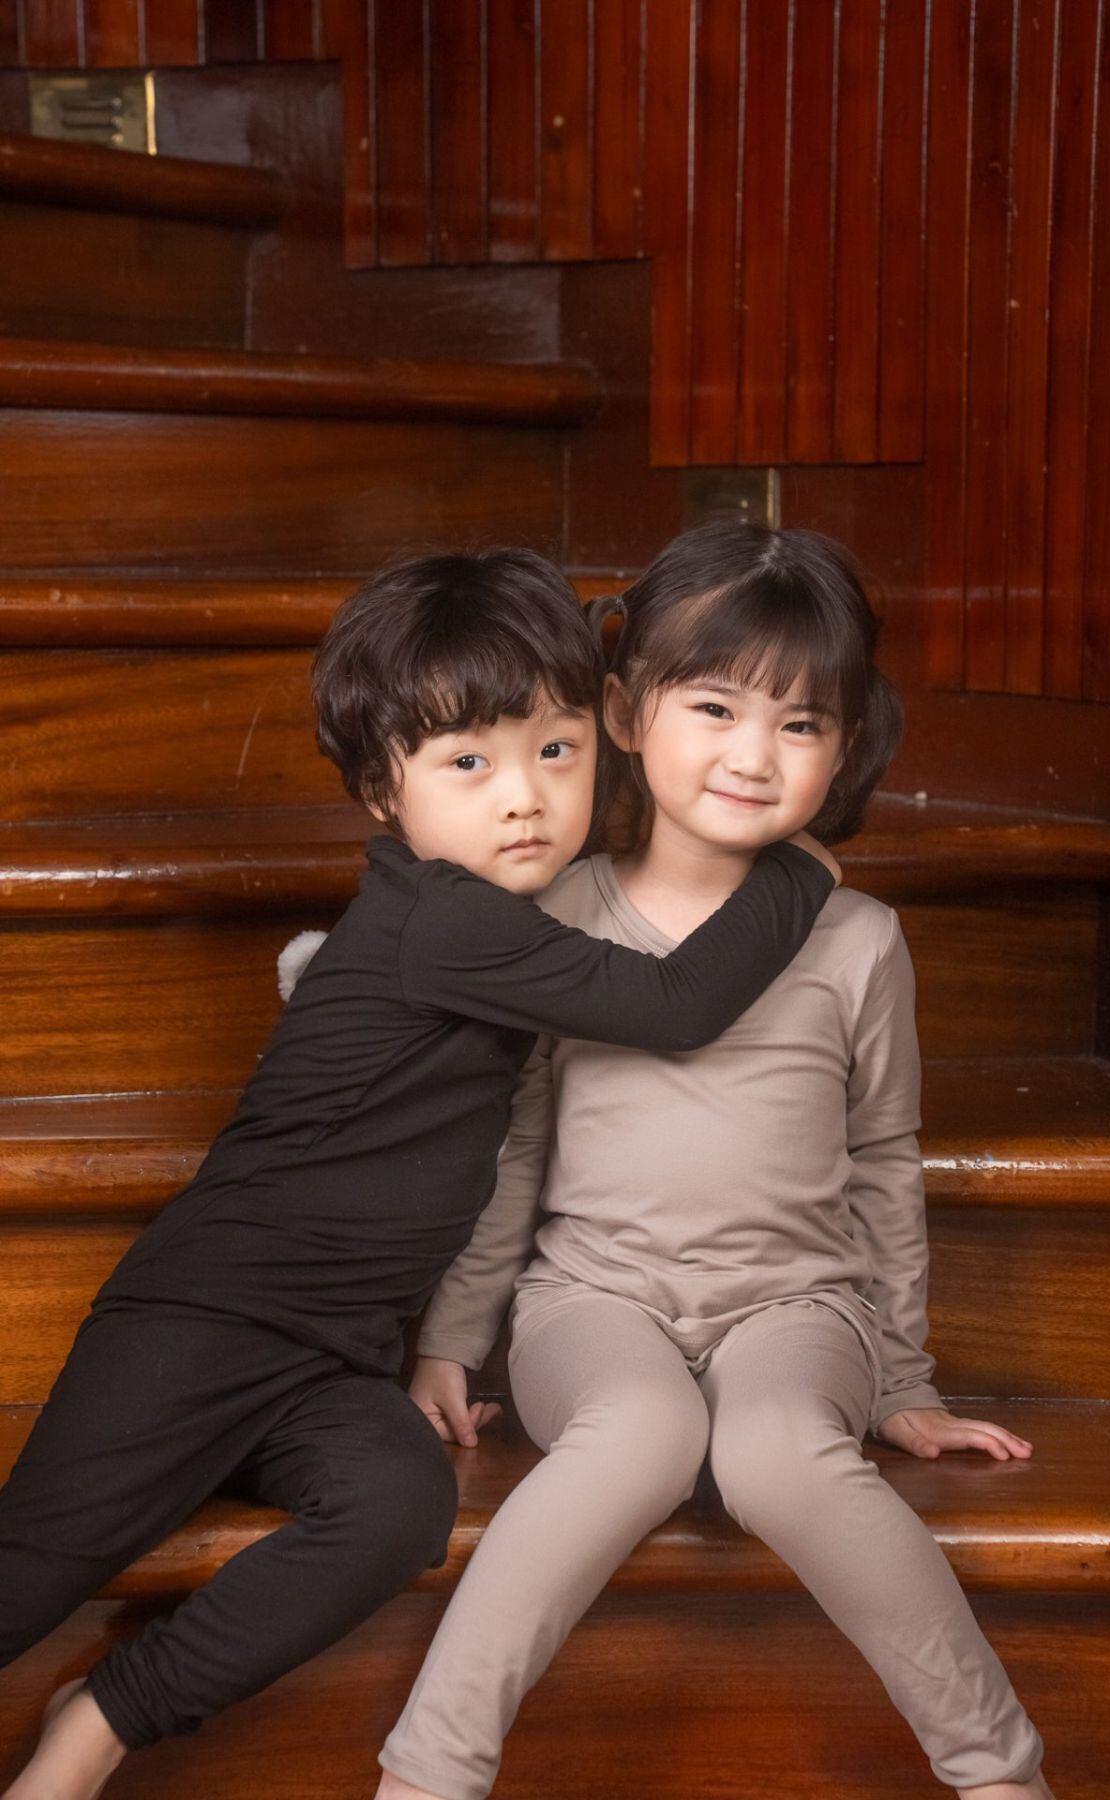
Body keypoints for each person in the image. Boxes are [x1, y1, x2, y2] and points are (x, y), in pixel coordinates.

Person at [0, 549, 839, 1800]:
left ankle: (109, 1713)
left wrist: (437, 1350)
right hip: (204, 1324)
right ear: (379, 791)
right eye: (468, 764)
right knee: (28, 1577)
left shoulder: (486, 925)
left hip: (327, 1363)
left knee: (396, 1510)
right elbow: (677, 1003)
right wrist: (799, 867)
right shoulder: (444, 921)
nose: (526, 798)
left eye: (557, 751)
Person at [377, 524, 1054, 1800]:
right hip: (593, 1301)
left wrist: (904, 1375)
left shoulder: (859, 939)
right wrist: (451, 1338)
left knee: (779, 1451)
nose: (755, 754)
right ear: (626, 712)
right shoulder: (556, 917)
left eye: (802, 724)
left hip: (796, 1306)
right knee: (638, 1429)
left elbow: (882, 1156)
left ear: (845, 749)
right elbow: (515, 1147)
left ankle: (1001, 1774)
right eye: (716, 707)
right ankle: (428, 1774)